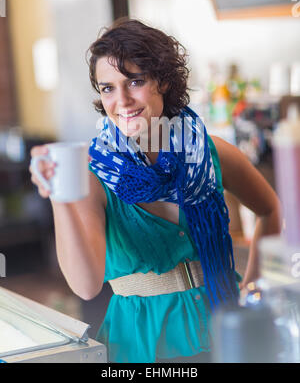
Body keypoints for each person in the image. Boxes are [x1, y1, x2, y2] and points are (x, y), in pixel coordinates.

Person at [29, 18, 281, 363]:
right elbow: (85, 286)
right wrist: (56, 193)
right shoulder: (93, 174)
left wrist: (252, 294)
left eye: (135, 81)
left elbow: (271, 210)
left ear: (162, 80)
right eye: (107, 88)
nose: (122, 100)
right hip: (144, 347)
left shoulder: (208, 151)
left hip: (228, 336)